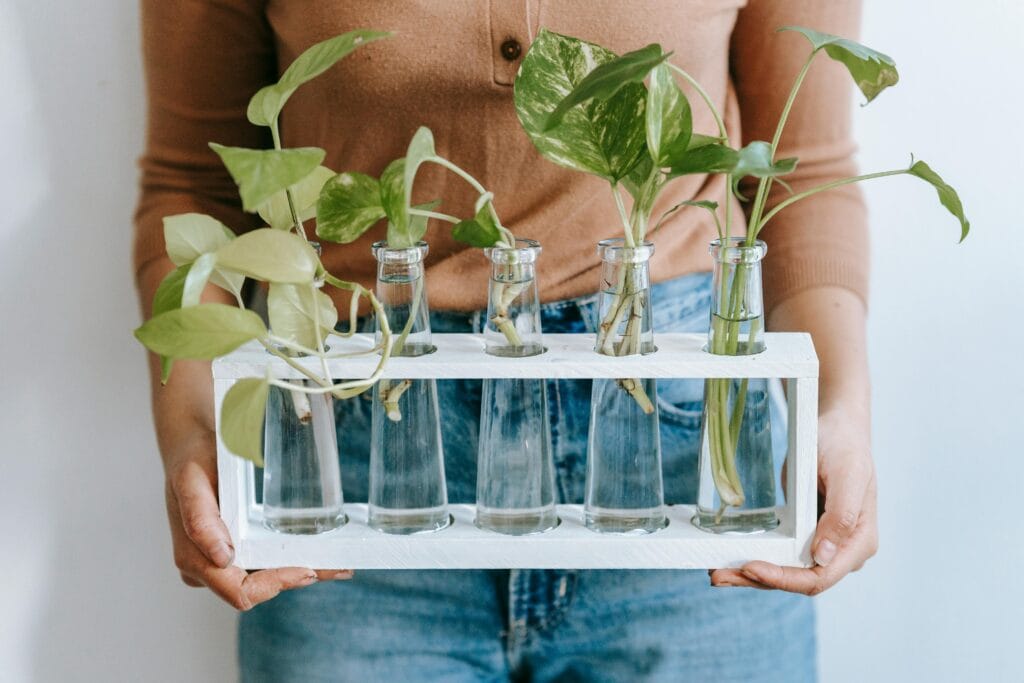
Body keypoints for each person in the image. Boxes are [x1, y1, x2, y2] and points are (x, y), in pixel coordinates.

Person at [135, 1, 877, 680]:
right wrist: (192, 430)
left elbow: (801, 173)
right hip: (356, 450)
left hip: (686, 443)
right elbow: (193, 180)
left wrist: (840, 410)